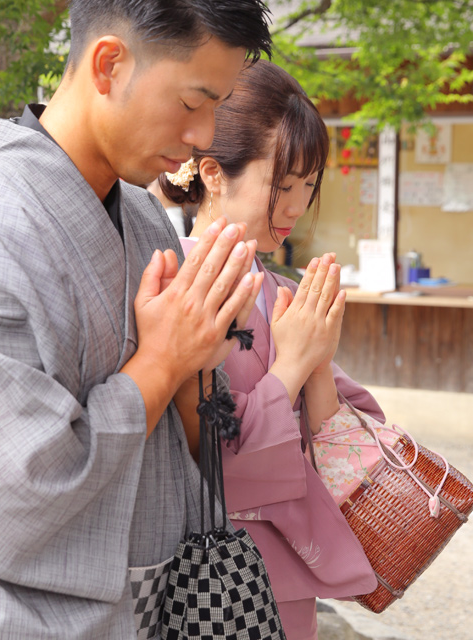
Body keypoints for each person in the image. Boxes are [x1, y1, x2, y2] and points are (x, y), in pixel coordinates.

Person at [0, 2, 272, 638]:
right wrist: (161, 361)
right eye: (193, 102)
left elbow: (183, 441)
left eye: (216, 106)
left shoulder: (141, 216)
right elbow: (18, 499)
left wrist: (201, 347)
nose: (204, 134)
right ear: (109, 64)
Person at [161, 60, 383, 640]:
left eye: (308, 187)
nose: (293, 207)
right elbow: (201, 457)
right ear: (213, 173)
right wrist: (292, 365)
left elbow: (351, 450)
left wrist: (316, 372)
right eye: (281, 186)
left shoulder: (283, 292)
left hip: (288, 579)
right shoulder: (168, 282)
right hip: (201, 578)